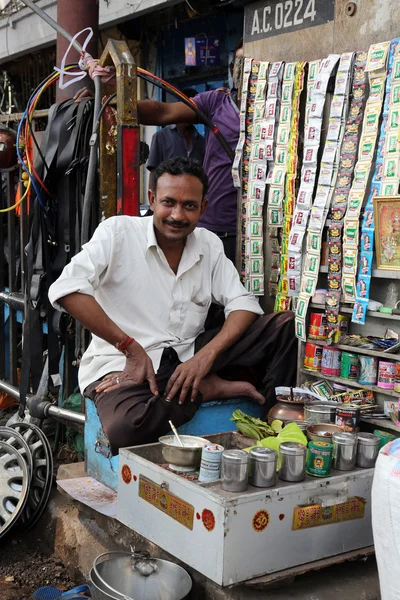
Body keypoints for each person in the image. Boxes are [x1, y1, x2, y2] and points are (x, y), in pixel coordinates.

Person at [48, 158, 296, 455]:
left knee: (285, 327)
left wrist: (206, 356)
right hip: (124, 367)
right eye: (168, 202)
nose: (177, 215)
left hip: (188, 357)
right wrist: (129, 345)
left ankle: (274, 433)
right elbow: (67, 289)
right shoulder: (118, 233)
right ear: (152, 199)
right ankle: (206, 389)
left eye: (189, 206)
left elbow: (243, 304)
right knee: (124, 428)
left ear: (203, 208)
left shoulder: (209, 244)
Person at [75, 38, 244, 263]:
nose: (244, 71)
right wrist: (108, 103)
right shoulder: (218, 102)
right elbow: (162, 112)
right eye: (239, 64)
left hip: (256, 231)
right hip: (211, 226)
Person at [146, 88, 205, 192]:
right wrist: (153, 201)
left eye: (194, 110)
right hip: (167, 196)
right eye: (187, 108)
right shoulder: (161, 136)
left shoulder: (201, 141)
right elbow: (154, 171)